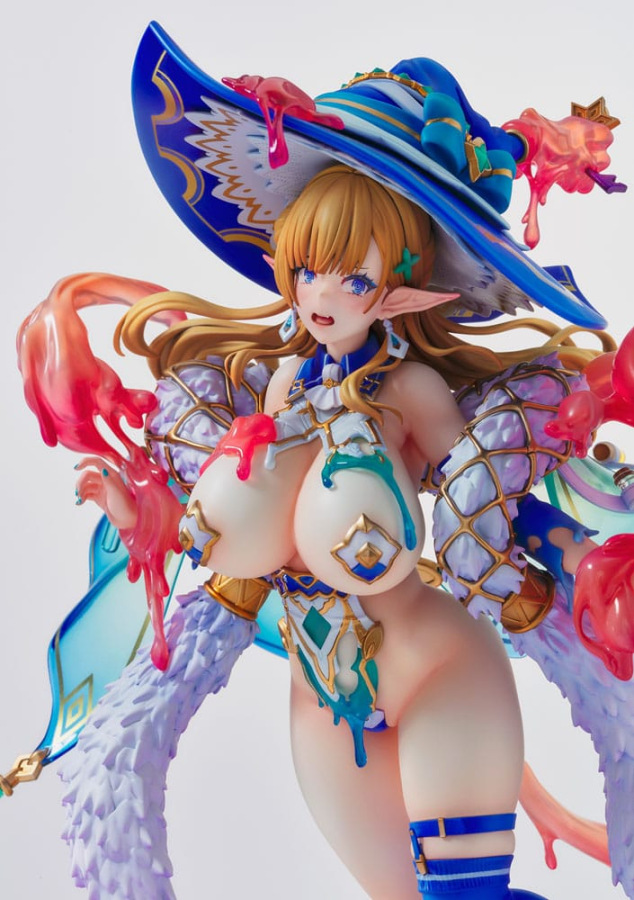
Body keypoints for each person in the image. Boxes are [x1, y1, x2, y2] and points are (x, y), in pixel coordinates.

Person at [11, 21, 634, 900]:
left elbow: (485, 511)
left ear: (403, 288)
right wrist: (140, 513)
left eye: (353, 277)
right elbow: (237, 533)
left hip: (439, 670)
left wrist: (571, 568)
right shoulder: (274, 393)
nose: (321, 296)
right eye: (307, 270)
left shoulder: (412, 391)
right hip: (325, 700)